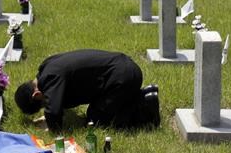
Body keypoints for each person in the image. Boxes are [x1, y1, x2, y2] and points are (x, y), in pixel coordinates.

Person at [14, 49, 160, 131]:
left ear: (37, 94)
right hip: (124, 68)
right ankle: (144, 94)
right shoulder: (46, 67)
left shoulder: (50, 79)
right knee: (99, 111)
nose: (46, 104)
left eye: (42, 104)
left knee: (95, 121)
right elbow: (59, 100)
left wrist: (50, 124)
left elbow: (54, 111)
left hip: (124, 78)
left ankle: (146, 107)